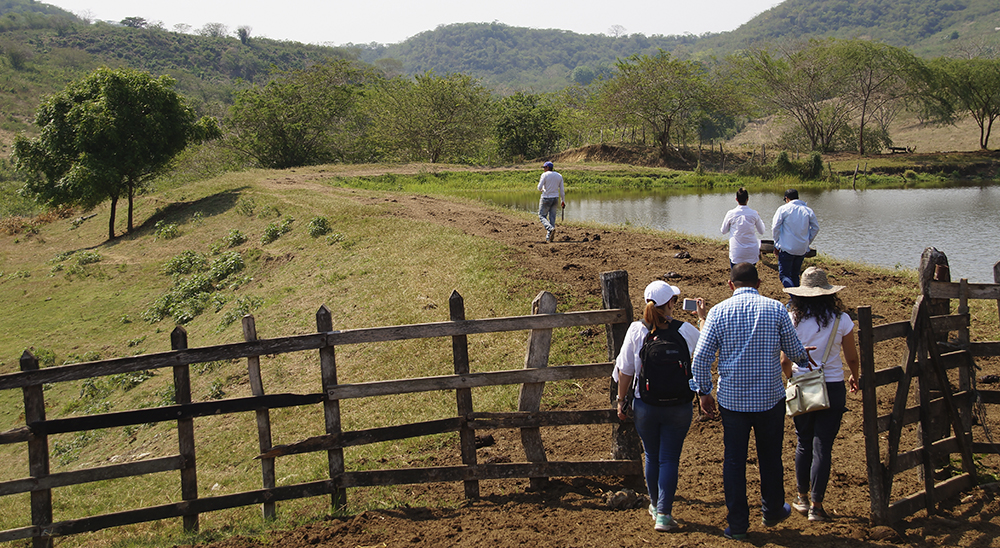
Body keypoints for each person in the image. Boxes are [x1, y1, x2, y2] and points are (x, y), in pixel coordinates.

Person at [690, 263, 811, 540]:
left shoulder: (718, 312)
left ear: (731, 285)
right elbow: (794, 351)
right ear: (759, 284)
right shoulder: (777, 309)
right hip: (770, 398)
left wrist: (704, 391)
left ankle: (738, 524)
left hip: (732, 401)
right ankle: (771, 510)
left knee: (734, 462)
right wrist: (804, 357)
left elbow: (701, 359)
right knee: (770, 457)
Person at [614, 280, 708, 533]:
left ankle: (656, 506)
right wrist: (701, 320)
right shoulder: (685, 330)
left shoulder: (636, 330)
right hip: (679, 405)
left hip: (646, 404)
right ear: (671, 304)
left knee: (652, 457)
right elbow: (704, 356)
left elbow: (625, 371)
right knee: (669, 459)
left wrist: (621, 401)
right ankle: (664, 514)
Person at [780, 267, 861, 523]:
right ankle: (817, 505)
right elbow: (851, 357)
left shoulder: (791, 318)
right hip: (833, 385)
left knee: (803, 441)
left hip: (801, 383)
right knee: (822, 445)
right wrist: (854, 376)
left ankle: (802, 498)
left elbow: (784, 359)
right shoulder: (842, 319)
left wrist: (790, 377)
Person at [771, 189, 819, 288]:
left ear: (787, 199)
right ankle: (796, 300)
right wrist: (807, 241)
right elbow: (815, 228)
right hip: (801, 249)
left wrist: (777, 243)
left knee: (784, 276)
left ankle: (795, 299)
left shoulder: (783, 209)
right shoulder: (807, 210)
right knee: (795, 275)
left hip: (787, 249)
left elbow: (775, 227)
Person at [720, 187, 766, 268]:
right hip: (751, 253)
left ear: (736, 199)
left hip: (736, 253)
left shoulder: (731, 213)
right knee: (750, 277)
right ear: (747, 199)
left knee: (736, 277)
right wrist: (759, 217)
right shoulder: (754, 214)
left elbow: (723, 231)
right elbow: (762, 231)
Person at [537, 161, 565, 242]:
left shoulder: (544, 175)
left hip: (546, 197)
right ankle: (549, 237)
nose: (544, 169)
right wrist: (562, 201)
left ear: (548, 168)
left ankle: (550, 228)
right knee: (552, 217)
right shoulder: (559, 176)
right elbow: (562, 190)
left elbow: (539, 187)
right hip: (555, 198)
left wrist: (542, 189)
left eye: (544, 168)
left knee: (541, 215)